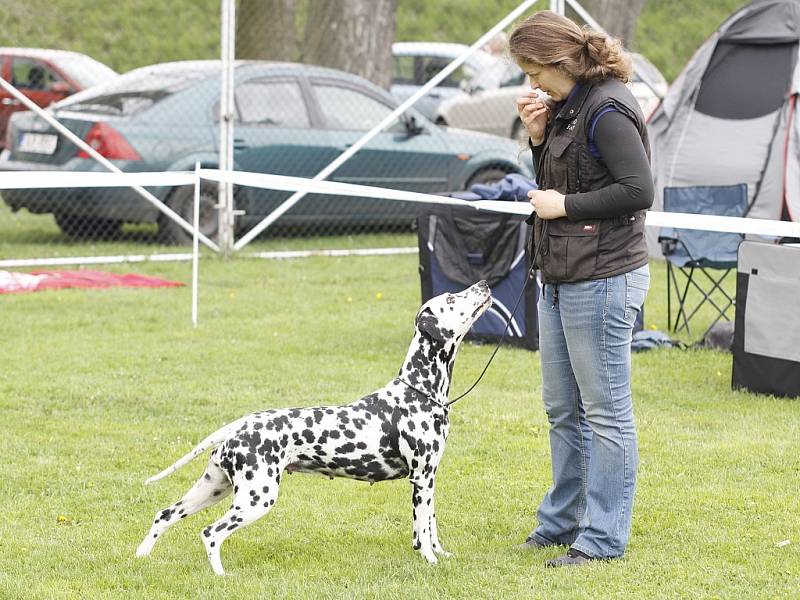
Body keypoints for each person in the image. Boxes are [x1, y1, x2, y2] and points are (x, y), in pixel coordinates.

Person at [508, 11, 653, 567]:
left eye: (534, 72)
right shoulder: (569, 105)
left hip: (605, 278)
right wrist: (539, 137)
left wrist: (563, 206)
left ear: (559, 61)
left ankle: (601, 540)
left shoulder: (609, 107)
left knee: (606, 413)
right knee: (562, 410)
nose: (532, 84)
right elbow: (569, 173)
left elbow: (638, 189)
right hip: (561, 275)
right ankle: (561, 521)